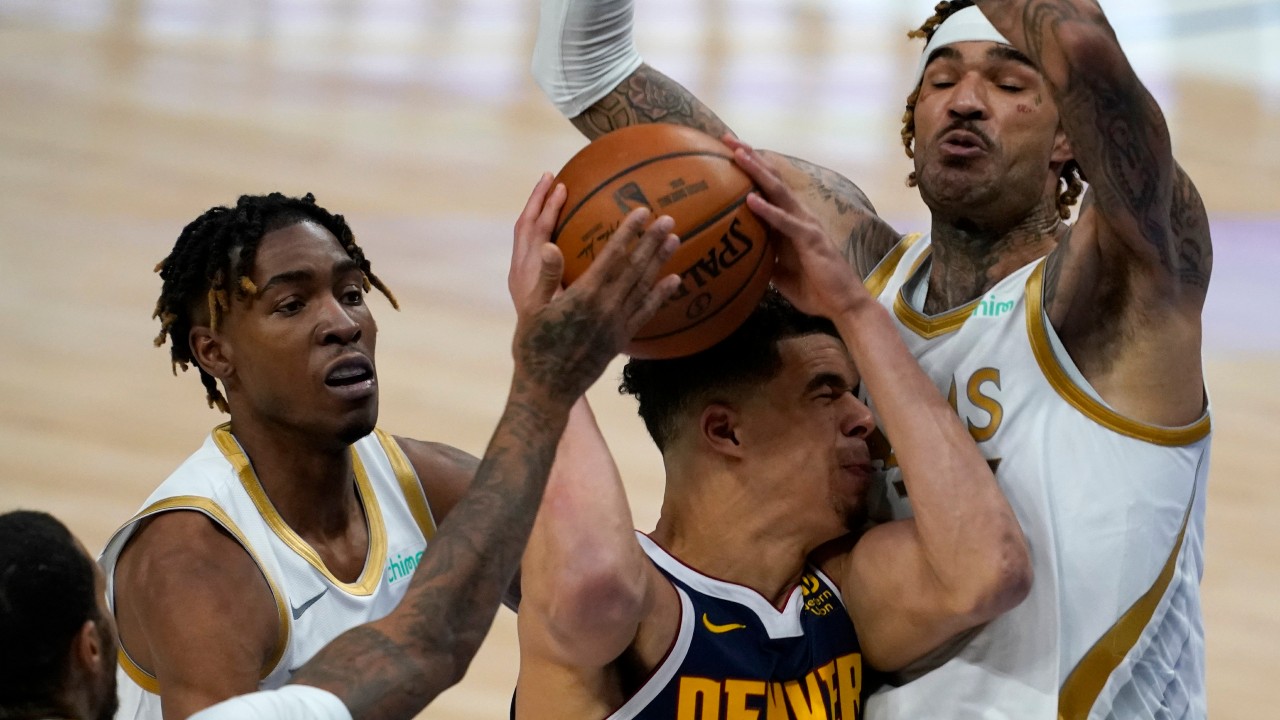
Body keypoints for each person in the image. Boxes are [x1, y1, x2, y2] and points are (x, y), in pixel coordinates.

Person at [530, 0, 1213, 717]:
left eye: (1011, 85)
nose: (968, 103)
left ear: (1070, 134)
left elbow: (1107, 90)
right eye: (940, 82)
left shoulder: (1118, 294)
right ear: (912, 120)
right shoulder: (855, 275)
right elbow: (585, 69)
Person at [6, 175, 680, 720]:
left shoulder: (424, 480)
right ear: (215, 353)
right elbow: (428, 642)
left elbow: (613, 600)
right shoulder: (196, 568)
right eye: (291, 305)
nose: (341, 323)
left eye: (352, 293)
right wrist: (546, 380)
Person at [514, 177, 1033, 716]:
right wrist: (547, 357)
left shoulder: (843, 595)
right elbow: (594, 584)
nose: (865, 419)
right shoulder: (646, 609)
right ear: (726, 432)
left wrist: (855, 310)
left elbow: (989, 568)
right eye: (827, 392)